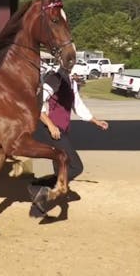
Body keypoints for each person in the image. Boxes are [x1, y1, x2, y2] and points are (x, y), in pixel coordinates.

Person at [28, 68, 109, 217]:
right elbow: (37, 103)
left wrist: (95, 121)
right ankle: (38, 186)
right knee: (75, 167)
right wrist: (51, 125)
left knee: (60, 169)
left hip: (61, 130)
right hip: (52, 131)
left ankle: (37, 209)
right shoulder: (54, 79)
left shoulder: (71, 83)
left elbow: (78, 105)